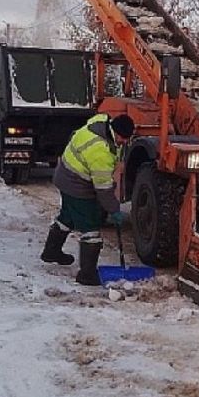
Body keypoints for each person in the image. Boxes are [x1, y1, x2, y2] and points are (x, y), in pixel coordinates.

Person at [41, 111, 136, 285]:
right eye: (123, 139)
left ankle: (51, 252)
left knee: (67, 216)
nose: (124, 143)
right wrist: (114, 210)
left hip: (64, 174)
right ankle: (87, 274)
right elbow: (103, 189)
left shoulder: (102, 122)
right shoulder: (100, 151)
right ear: (116, 133)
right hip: (76, 184)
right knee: (91, 227)